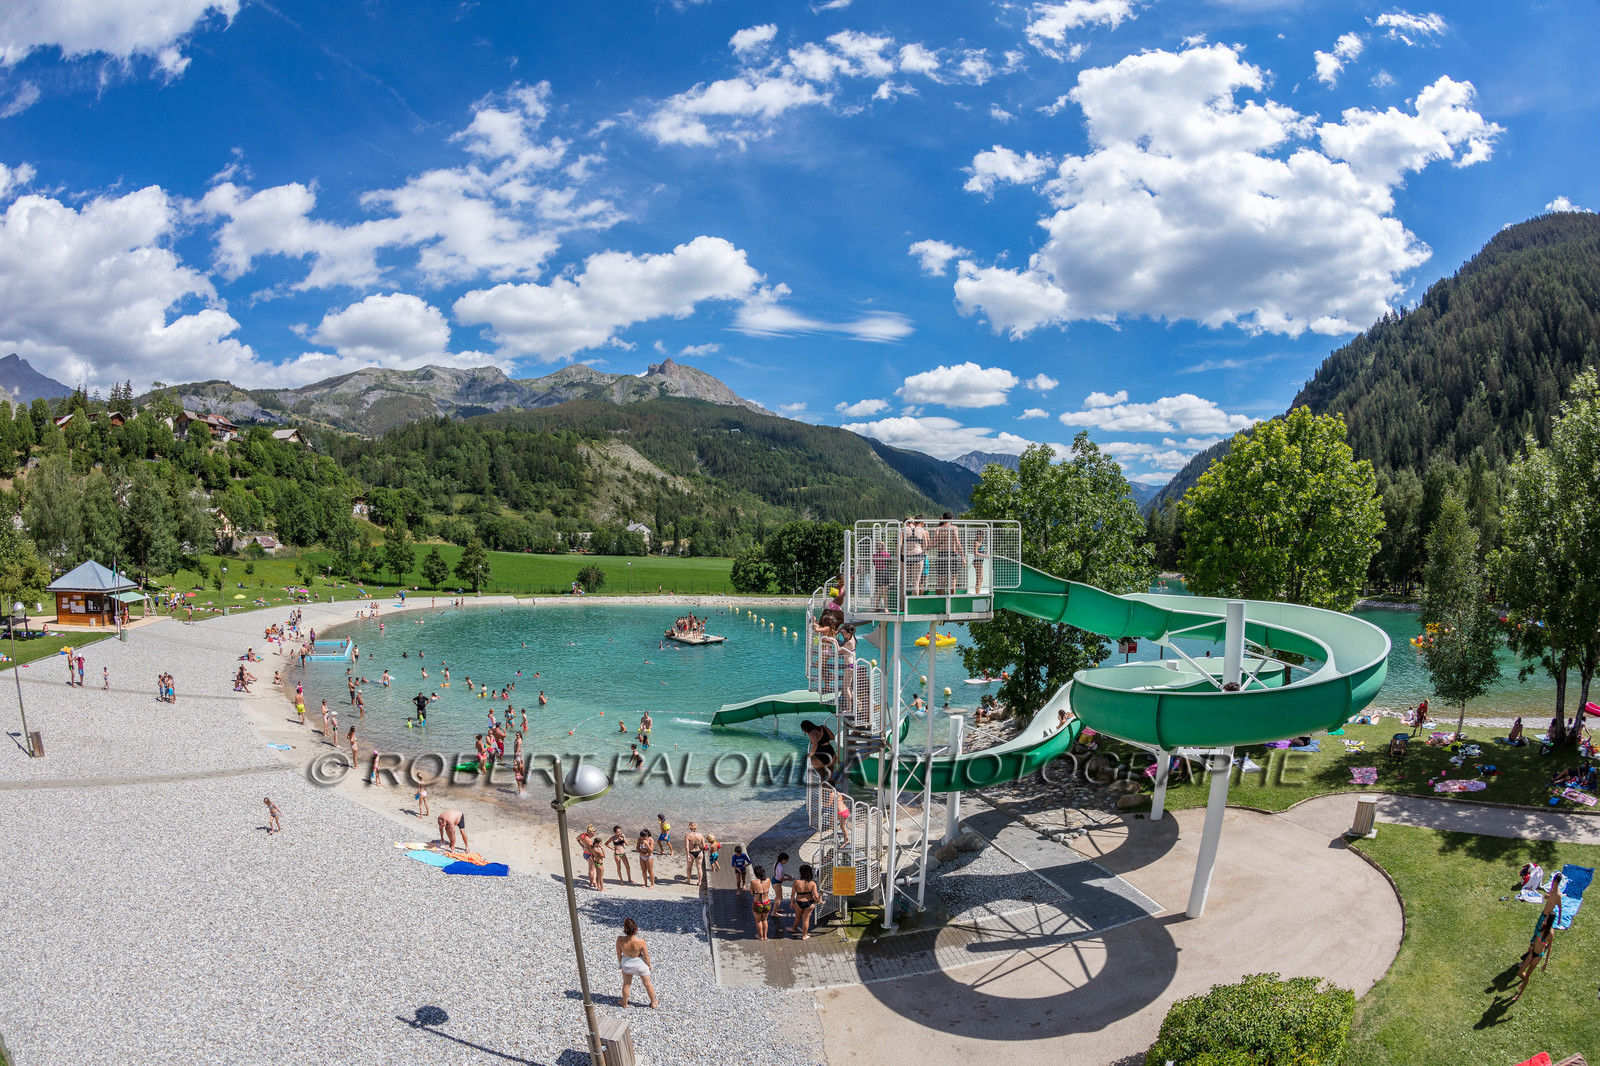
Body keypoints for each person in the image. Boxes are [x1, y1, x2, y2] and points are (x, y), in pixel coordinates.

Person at [1512, 913, 1556, 1002]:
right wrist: (1531, 945)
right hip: (1532, 952)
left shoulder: (1550, 933)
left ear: (1549, 921)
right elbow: (1536, 937)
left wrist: (1545, 963)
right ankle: (1526, 980)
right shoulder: (1543, 926)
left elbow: (1549, 948)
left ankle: (1520, 994)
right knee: (1520, 972)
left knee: (1527, 974)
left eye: (1546, 918)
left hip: (1538, 956)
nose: (1544, 920)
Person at [616, 918, 659, 1009]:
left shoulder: (620, 939)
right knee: (647, 984)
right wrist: (649, 965)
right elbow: (646, 956)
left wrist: (620, 962)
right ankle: (653, 1002)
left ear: (625, 929)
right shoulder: (641, 941)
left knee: (626, 984)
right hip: (640, 964)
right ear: (635, 929)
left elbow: (619, 953)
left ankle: (625, 1003)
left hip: (627, 963)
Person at [788, 864, 821, 939]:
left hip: (799, 902)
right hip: (809, 902)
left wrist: (791, 902)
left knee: (798, 917)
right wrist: (817, 901)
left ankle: (793, 929)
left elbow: (792, 894)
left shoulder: (796, 882)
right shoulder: (812, 883)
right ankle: (804, 936)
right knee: (806, 920)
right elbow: (816, 896)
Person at [750, 865, 774, 941]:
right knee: (765, 920)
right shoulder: (768, 880)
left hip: (758, 904)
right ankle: (765, 936)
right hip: (767, 903)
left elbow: (751, 893)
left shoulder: (753, 882)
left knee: (758, 921)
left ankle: (760, 936)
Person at [578, 826, 603, 890]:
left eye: (594, 834)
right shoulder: (589, 841)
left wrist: (582, 846)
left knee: (591, 868)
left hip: (585, 853)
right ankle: (591, 882)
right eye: (592, 834)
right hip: (589, 855)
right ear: (588, 832)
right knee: (592, 869)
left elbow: (577, 839)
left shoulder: (582, 835)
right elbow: (592, 851)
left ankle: (592, 881)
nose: (593, 835)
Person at [772, 852, 790, 919]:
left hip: (774, 880)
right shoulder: (781, 867)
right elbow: (781, 878)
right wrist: (788, 879)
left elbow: (780, 873)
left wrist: (787, 875)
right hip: (777, 882)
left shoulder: (776, 863)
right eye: (786, 860)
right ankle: (774, 912)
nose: (786, 861)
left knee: (779, 897)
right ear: (783, 859)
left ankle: (776, 908)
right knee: (779, 898)